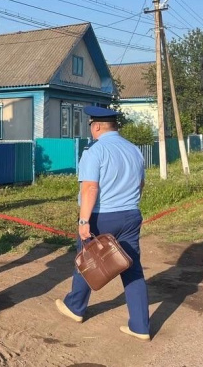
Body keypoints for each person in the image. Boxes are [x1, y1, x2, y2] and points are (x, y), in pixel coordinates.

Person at [54, 106, 149, 341]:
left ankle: (75, 307)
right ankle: (140, 326)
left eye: (90, 126)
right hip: (130, 214)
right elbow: (141, 184)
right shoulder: (134, 150)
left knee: (88, 260)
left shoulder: (95, 151)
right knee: (131, 267)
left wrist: (84, 220)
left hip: (101, 215)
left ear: (96, 126)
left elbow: (89, 187)